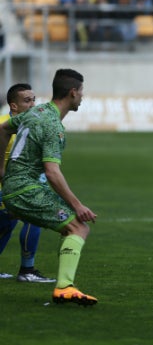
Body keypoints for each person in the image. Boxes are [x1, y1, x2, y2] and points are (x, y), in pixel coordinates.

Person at [0, 69, 98, 306]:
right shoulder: (53, 125)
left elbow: (3, 129)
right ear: (72, 92)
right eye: (81, 91)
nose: (83, 96)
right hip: (26, 190)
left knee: (68, 228)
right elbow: (52, 172)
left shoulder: (37, 111)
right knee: (78, 227)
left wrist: (3, 172)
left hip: (13, 188)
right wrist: (78, 205)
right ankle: (64, 287)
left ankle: (58, 282)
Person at [0, 83, 55, 283]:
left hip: (13, 186)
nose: (32, 105)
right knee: (33, 217)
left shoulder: (28, 125)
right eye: (27, 101)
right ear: (14, 106)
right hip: (8, 187)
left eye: (34, 100)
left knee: (7, 223)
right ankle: (27, 270)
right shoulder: (5, 126)